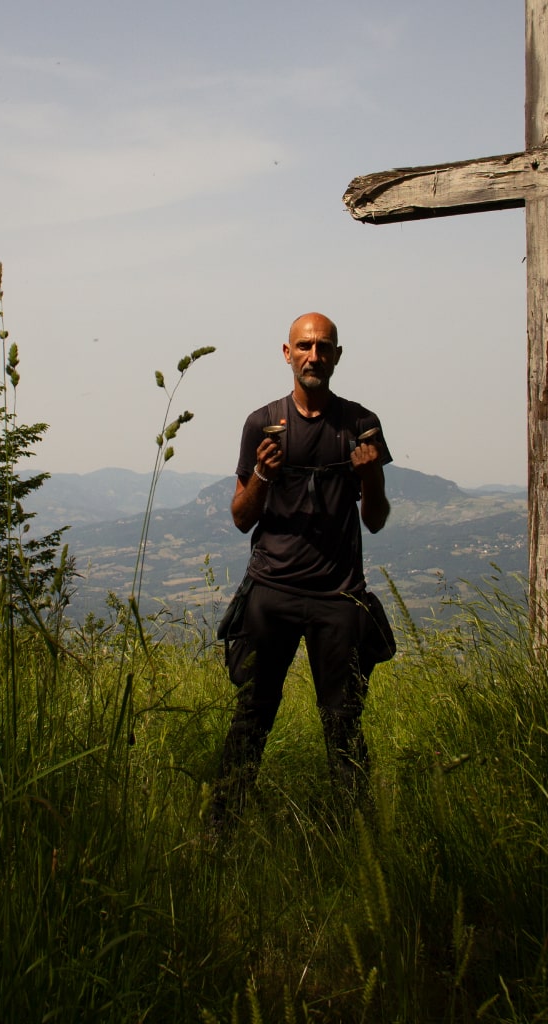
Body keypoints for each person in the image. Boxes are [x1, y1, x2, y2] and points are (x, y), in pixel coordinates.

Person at [214, 311, 393, 817]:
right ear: (287, 353)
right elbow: (240, 518)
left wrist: (373, 476)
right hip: (271, 592)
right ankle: (220, 829)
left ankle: (357, 841)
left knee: (343, 725)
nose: (314, 356)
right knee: (251, 717)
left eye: (324, 347)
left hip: (339, 596)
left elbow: (375, 520)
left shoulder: (362, 424)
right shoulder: (263, 424)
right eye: (305, 346)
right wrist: (264, 478)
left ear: (337, 356)